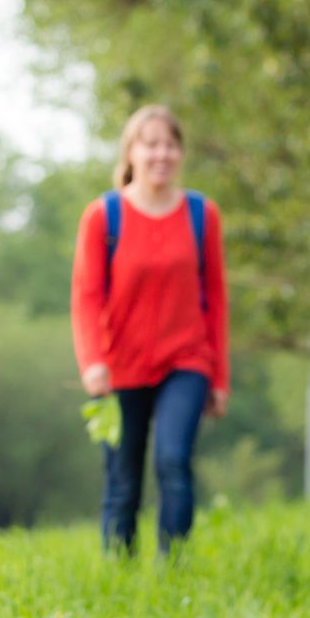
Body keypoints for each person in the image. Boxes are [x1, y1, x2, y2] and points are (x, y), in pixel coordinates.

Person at [70, 105, 229, 557]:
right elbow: (85, 295)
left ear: (180, 152)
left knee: (173, 461)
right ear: (131, 152)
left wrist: (219, 379)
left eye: (170, 144)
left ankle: (173, 572)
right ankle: (119, 577)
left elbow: (216, 299)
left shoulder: (202, 215)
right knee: (123, 481)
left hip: (186, 361)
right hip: (120, 365)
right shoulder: (104, 217)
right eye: (151, 143)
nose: (161, 153)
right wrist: (92, 361)